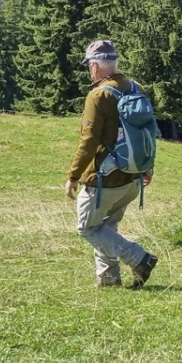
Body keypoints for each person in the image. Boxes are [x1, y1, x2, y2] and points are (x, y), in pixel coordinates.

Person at [65, 39, 158, 289]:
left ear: (94, 66)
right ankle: (108, 278)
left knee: (87, 228)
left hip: (104, 181)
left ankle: (139, 258)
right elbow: (147, 132)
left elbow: (89, 139)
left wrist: (73, 175)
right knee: (107, 227)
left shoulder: (98, 95)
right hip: (132, 179)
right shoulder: (137, 88)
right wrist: (147, 168)